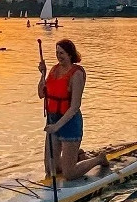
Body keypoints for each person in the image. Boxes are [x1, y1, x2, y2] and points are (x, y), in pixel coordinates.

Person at [38, 39, 108, 180]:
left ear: (70, 54)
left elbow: (75, 106)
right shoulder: (54, 70)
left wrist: (56, 126)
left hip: (69, 123)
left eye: (62, 53)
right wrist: (42, 74)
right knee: (51, 169)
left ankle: (99, 159)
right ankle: (77, 156)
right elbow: (41, 94)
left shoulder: (76, 74)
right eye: (57, 52)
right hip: (53, 120)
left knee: (68, 174)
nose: (59, 56)